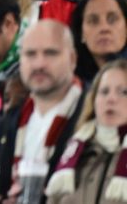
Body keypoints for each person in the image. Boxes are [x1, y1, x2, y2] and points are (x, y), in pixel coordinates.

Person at [0, 20, 83, 203]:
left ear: (73, 59)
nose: (39, 64)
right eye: (30, 54)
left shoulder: (95, 117)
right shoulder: (4, 128)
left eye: (50, 53)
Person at [45, 59, 127, 203]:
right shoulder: (73, 154)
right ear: (94, 100)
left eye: (124, 92)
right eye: (104, 91)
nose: (111, 99)